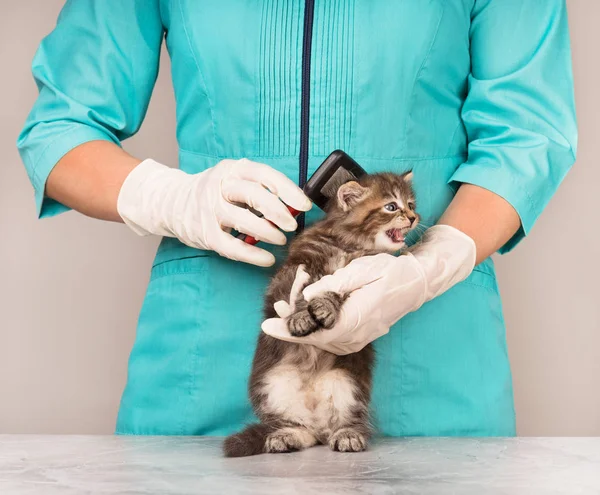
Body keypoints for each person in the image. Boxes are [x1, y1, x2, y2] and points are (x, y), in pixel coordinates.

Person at [18, 1, 576, 436]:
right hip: (205, 356)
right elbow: (60, 127)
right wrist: (170, 197)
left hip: (430, 357)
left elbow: (528, 134)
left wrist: (433, 264)